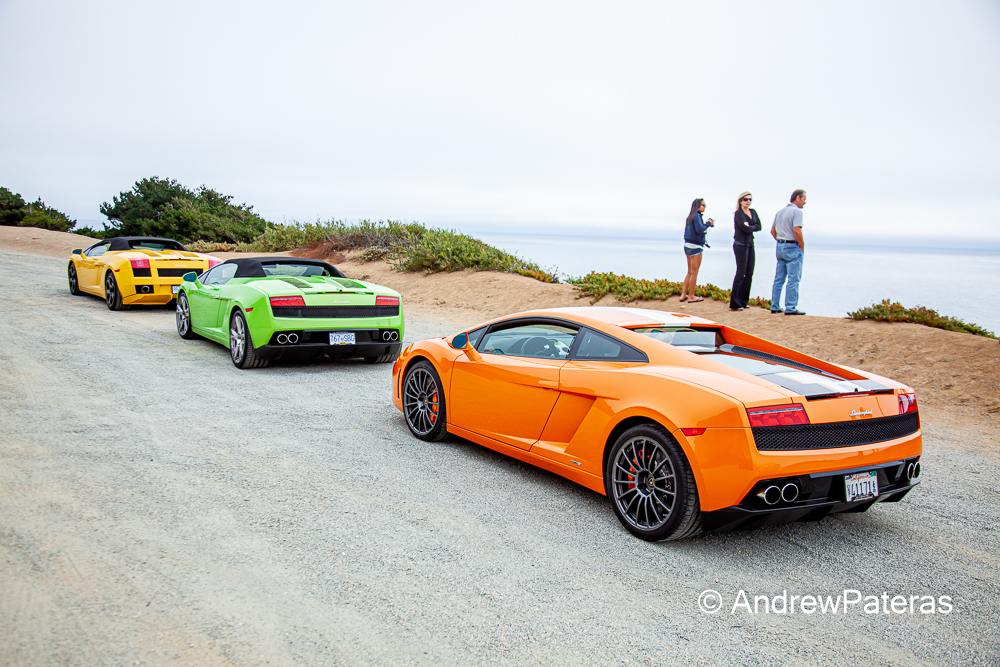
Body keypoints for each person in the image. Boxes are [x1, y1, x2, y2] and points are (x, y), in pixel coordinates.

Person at [770, 189, 807, 315]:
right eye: (804, 199)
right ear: (798, 198)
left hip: (780, 246)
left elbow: (772, 231)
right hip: (792, 246)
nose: (805, 202)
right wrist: (801, 246)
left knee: (778, 279)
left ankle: (774, 305)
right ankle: (790, 307)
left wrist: (780, 241)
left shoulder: (780, 212)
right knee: (793, 278)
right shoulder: (797, 212)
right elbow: (797, 230)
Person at [729, 191, 761, 310]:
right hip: (740, 245)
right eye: (746, 199)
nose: (748, 201)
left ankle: (743, 301)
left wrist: (750, 226)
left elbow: (759, 226)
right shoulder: (738, 213)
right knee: (740, 273)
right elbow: (744, 228)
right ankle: (735, 303)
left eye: (750, 199)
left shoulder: (753, 212)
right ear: (741, 201)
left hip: (750, 245)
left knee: (749, 273)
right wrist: (750, 227)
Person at [680, 198, 714, 303]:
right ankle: (691, 296)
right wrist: (708, 223)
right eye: (703, 205)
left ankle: (683, 295)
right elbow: (700, 229)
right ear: (698, 206)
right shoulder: (697, 216)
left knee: (689, 272)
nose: (705, 207)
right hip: (696, 246)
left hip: (687, 245)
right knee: (694, 273)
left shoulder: (690, 217)